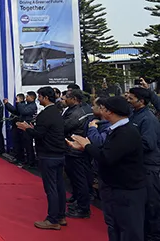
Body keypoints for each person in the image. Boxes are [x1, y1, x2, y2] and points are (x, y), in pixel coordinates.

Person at [68, 96, 146, 241]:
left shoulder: (126, 132)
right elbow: (106, 153)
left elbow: (107, 156)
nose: (97, 110)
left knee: (128, 230)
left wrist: (87, 145)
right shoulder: (116, 129)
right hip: (114, 188)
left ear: (109, 111)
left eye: (102, 108)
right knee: (114, 226)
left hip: (126, 190)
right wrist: (85, 148)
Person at [17, 87, 67, 230]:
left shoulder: (46, 114)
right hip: (58, 153)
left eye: (39, 96)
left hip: (48, 154)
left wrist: (27, 129)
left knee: (51, 188)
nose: (38, 99)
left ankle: (52, 219)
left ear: (45, 97)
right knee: (59, 186)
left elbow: (39, 134)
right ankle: (61, 215)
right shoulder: (56, 112)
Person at [126, 87, 160, 240]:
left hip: (149, 168)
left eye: (131, 98)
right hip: (138, 166)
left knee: (151, 205)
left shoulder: (148, 119)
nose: (128, 99)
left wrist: (126, 146)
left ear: (141, 101)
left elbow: (148, 143)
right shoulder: (134, 115)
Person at [62, 89, 92, 218]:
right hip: (72, 149)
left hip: (76, 150)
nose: (64, 100)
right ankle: (77, 199)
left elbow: (64, 126)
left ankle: (83, 207)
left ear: (74, 99)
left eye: (66, 98)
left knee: (80, 179)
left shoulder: (77, 112)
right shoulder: (73, 110)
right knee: (75, 178)